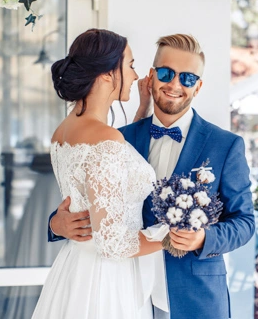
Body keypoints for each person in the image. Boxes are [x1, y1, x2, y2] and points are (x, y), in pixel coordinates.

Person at [48, 33, 255, 319]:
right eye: (167, 73)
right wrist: (56, 224)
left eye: (188, 78)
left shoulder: (225, 145)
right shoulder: (118, 138)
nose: (174, 84)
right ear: (151, 76)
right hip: (124, 292)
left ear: (199, 86)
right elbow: (93, 205)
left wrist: (203, 238)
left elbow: (244, 222)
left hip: (194, 297)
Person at [32, 28, 169, 319]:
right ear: (108, 73)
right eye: (130, 66)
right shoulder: (105, 139)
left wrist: (142, 109)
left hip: (76, 267)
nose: (134, 75)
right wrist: (173, 236)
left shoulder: (63, 132)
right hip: (107, 281)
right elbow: (113, 242)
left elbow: (113, 169)